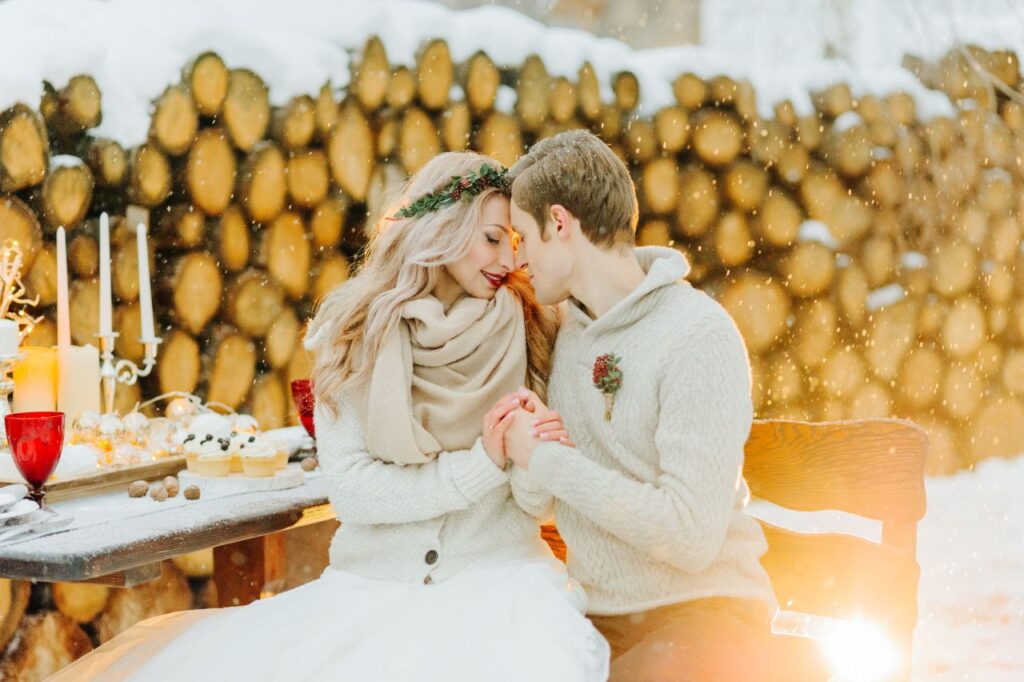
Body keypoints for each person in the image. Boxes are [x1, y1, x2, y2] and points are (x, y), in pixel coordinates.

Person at [54, 151, 609, 682]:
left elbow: (536, 501)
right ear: (441, 228)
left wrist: (533, 453)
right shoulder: (352, 332)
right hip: (371, 590)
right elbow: (355, 491)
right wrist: (485, 462)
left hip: (503, 584)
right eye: (492, 239)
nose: (509, 261)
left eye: (514, 242)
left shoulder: (535, 325)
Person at [490, 130, 780, 682]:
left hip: (708, 615)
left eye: (521, 236)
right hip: (597, 619)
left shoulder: (696, 335)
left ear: (559, 223)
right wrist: (529, 437)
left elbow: (690, 537)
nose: (517, 258)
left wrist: (546, 460)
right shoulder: (565, 332)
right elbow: (539, 499)